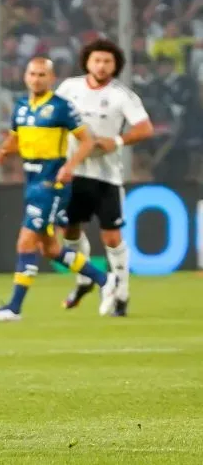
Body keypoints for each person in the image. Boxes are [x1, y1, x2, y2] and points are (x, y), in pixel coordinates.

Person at [0, 57, 117, 322]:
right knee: (50, 249)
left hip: (51, 182)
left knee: (26, 241)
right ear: (25, 77)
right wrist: (2, 151)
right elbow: (17, 138)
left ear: (51, 78)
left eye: (42, 74)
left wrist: (70, 166)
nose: (36, 78)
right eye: (32, 73)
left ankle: (14, 307)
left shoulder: (61, 107)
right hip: (31, 180)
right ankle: (105, 279)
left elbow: (87, 141)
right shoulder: (20, 107)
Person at [57, 40, 153, 316]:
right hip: (72, 171)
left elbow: (145, 128)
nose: (101, 65)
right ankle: (85, 277)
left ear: (115, 66)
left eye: (107, 61)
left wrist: (118, 141)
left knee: (111, 236)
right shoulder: (68, 88)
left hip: (106, 177)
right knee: (70, 231)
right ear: (87, 61)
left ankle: (121, 293)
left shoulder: (122, 95)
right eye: (97, 60)